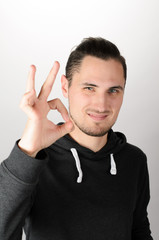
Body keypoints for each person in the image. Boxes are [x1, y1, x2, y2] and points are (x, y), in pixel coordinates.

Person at [0, 37, 153, 240]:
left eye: (113, 90)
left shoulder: (134, 160)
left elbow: (139, 230)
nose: (101, 105)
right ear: (65, 87)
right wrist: (27, 151)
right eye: (89, 88)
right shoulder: (34, 161)